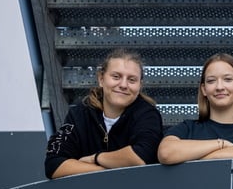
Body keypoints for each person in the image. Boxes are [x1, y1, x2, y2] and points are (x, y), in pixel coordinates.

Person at [45, 49, 163, 179]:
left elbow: (139, 157)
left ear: (140, 85)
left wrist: (96, 158)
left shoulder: (148, 115)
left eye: (132, 80)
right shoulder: (79, 115)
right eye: (116, 77)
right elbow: (54, 165)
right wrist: (103, 170)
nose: (123, 85)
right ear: (101, 79)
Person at [158, 53, 233, 164]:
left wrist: (190, 158)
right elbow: (166, 153)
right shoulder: (188, 128)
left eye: (227, 79)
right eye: (211, 81)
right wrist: (221, 144)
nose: (219, 87)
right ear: (204, 89)